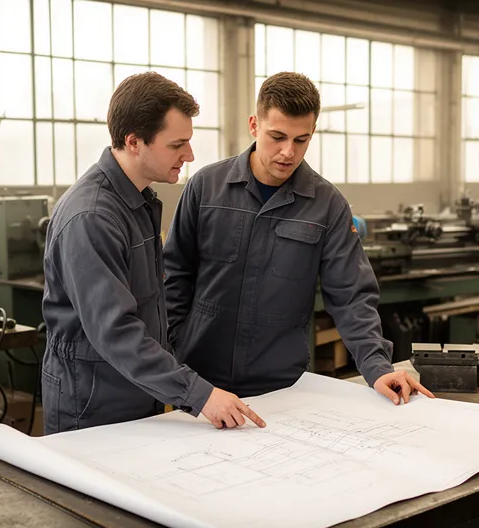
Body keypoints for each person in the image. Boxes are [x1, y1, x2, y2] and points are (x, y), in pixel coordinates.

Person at [163, 72, 434, 405]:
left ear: (312, 133)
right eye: (277, 136)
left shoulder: (327, 206)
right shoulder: (205, 188)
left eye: (300, 140)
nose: (288, 152)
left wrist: (377, 367)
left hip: (283, 386)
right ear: (253, 125)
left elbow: (351, 296)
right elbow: (173, 277)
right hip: (202, 380)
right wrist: (175, 353)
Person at [41, 72, 265, 434]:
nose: (189, 155)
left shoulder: (138, 202)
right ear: (134, 142)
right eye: (177, 145)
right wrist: (200, 394)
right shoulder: (93, 218)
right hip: (93, 409)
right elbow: (117, 332)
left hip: (136, 394)